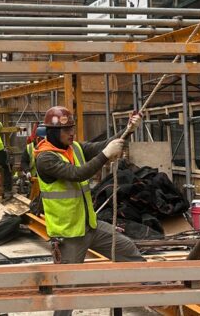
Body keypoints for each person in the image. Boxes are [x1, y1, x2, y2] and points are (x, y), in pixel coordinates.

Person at [34, 106, 144, 316]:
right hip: (68, 236)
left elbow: (104, 146)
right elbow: (78, 173)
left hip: (89, 225)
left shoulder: (73, 148)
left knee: (127, 250)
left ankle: (159, 288)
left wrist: (128, 130)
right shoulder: (45, 158)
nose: (71, 133)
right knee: (67, 293)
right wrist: (105, 155)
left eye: (72, 128)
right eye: (66, 130)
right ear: (52, 132)